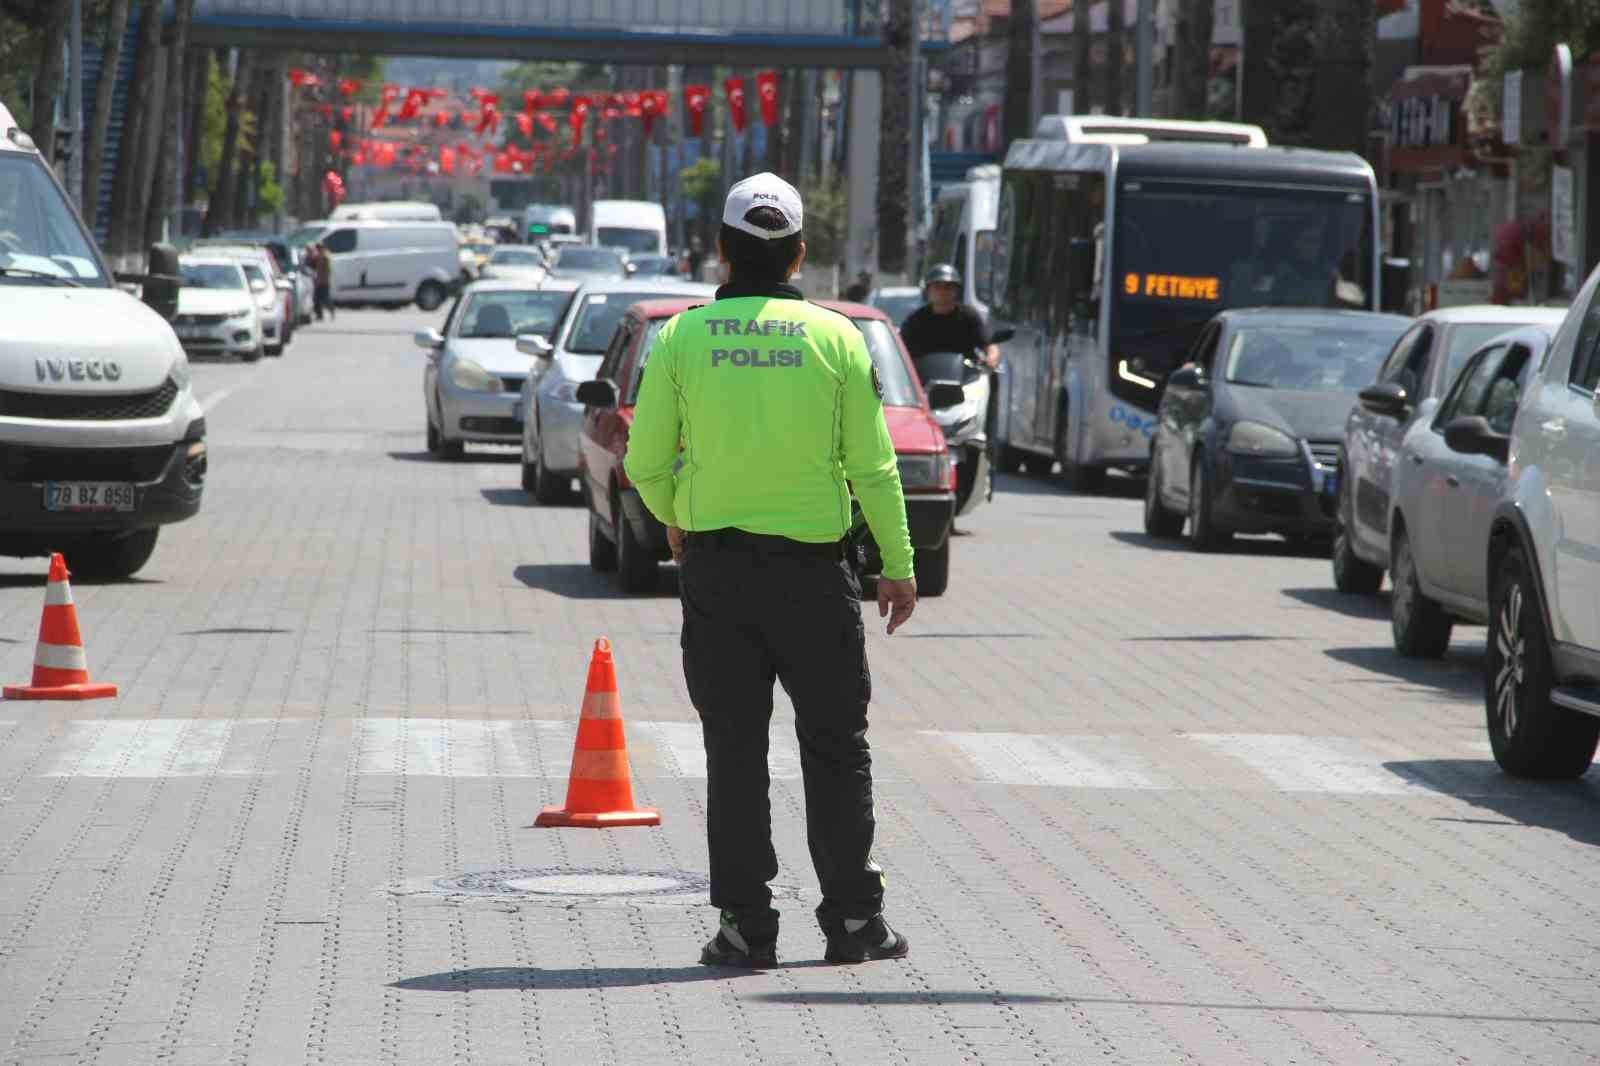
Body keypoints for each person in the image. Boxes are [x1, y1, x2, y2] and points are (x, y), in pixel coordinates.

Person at [624, 172, 918, 969]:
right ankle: (855, 921)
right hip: (816, 579)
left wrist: (680, 525)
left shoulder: (681, 338)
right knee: (834, 746)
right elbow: (876, 466)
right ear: (799, 256)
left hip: (718, 574)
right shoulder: (835, 339)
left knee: (735, 750)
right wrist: (898, 564)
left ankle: (746, 926)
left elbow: (643, 461)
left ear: (721, 250)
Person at [899, 263, 999, 371]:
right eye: (937, 286)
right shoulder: (915, 320)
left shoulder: (968, 316)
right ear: (928, 290)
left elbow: (990, 345)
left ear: (956, 291)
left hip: (964, 381)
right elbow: (899, 350)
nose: (942, 291)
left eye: (948, 287)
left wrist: (991, 358)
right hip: (923, 382)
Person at [311, 242, 335, 321]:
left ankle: (331, 311)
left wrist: (321, 279)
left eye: (317, 249)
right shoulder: (321, 256)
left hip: (323, 281)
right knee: (317, 299)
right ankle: (319, 315)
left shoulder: (325, 257)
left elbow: (327, 270)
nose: (317, 250)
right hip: (320, 280)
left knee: (324, 299)